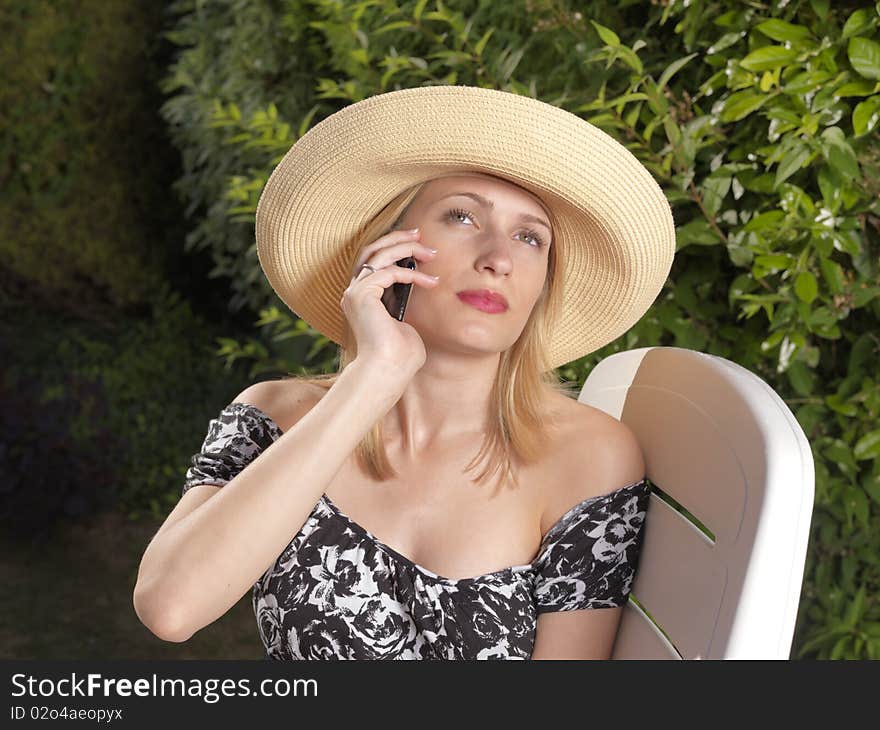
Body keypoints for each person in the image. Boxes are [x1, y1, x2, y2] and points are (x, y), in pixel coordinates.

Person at [133, 85, 676, 660]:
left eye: (529, 237)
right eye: (463, 216)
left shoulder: (589, 457)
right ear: (390, 252)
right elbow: (171, 608)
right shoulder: (275, 415)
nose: (499, 258)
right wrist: (372, 378)